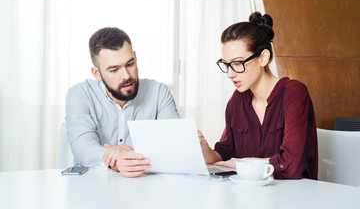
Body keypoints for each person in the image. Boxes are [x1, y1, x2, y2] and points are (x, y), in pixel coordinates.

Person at [199, 12, 318, 179]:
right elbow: (226, 154)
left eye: (237, 63)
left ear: (263, 57)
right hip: (249, 196)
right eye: (226, 65)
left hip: (293, 197)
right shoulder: (237, 100)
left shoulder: (294, 93)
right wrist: (204, 149)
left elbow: (292, 165)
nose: (230, 74)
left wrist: (243, 165)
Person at [66, 27, 179, 177]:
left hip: (147, 187)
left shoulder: (159, 93)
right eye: (114, 70)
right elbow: (83, 147)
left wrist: (127, 158)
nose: (126, 75)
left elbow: (173, 144)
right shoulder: (80, 94)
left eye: (130, 64)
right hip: (93, 187)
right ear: (97, 73)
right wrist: (117, 159)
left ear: (135, 58)